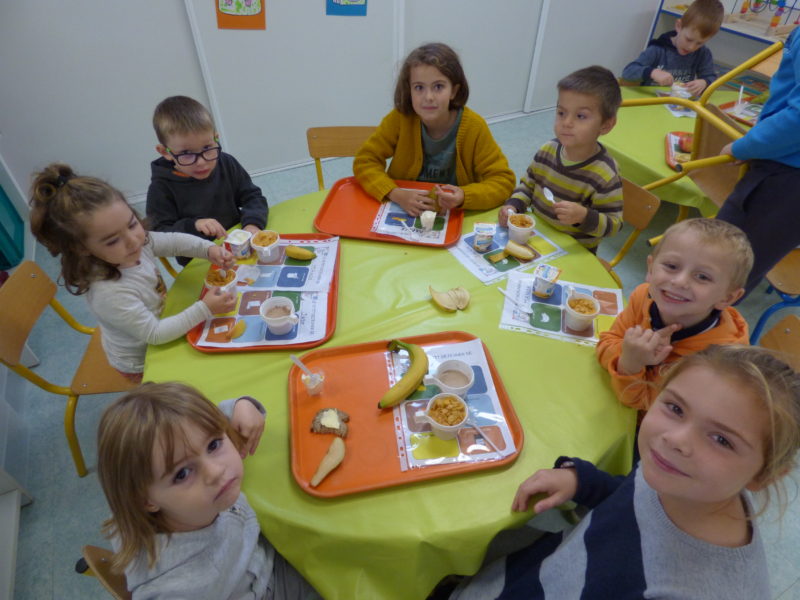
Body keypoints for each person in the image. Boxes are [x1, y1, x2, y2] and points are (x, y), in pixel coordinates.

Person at [451, 344, 800, 599]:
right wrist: (583, 482)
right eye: (676, 408)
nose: (676, 439)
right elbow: (633, 497)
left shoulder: (684, 590)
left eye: (722, 440)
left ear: (764, 475)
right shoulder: (675, 476)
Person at [97, 382, 322, 599]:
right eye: (182, 473)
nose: (215, 472)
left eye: (213, 445)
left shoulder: (151, 485)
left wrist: (240, 406)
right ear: (145, 501)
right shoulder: (184, 587)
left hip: (263, 555)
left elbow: (199, 426)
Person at [29, 163, 237, 382]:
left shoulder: (137, 241)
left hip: (162, 321)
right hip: (142, 360)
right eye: (112, 240)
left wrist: (208, 249)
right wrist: (204, 308)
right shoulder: (109, 293)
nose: (133, 241)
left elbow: (174, 241)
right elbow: (155, 335)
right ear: (82, 248)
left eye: (132, 224)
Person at [596, 218, 752, 411]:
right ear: (651, 269)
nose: (679, 281)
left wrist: (630, 364)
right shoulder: (642, 296)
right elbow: (605, 343)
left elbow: (647, 406)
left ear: (727, 298)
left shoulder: (716, 361)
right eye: (671, 266)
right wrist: (630, 356)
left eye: (702, 277)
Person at [353, 42, 515, 217]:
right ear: (409, 91)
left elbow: (503, 181)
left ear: (454, 91)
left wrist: (464, 196)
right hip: (403, 208)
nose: (428, 97)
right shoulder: (399, 119)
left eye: (438, 86)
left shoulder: (474, 127)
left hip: (455, 216)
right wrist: (396, 193)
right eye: (419, 87)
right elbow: (365, 161)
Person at [498, 66, 623, 254]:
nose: (566, 122)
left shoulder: (605, 173)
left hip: (574, 250)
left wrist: (584, 216)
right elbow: (528, 185)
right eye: (561, 113)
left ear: (606, 125)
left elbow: (614, 224)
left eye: (580, 116)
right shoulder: (548, 150)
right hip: (537, 236)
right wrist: (514, 205)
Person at [716, 26, 800, 299]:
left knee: (718, 269)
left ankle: (681, 338)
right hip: (786, 174)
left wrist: (746, 146)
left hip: (784, 177)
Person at [146, 95, 268, 266]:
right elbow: (159, 235)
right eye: (186, 153)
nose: (202, 162)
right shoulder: (161, 188)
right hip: (199, 261)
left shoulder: (226, 163)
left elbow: (253, 196)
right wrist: (194, 224)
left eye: (207, 148)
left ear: (216, 138)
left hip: (240, 248)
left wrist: (253, 224)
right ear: (165, 152)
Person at [621, 0, 724, 96]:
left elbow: (711, 77)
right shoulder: (658, 49)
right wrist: (652, 72)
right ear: (679, 26)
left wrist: (705, 82)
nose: (691, 47)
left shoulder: (702, 53)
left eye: (700, 43)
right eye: (688, 39)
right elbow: (628, 72)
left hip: (677, 106)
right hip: (649, 104)